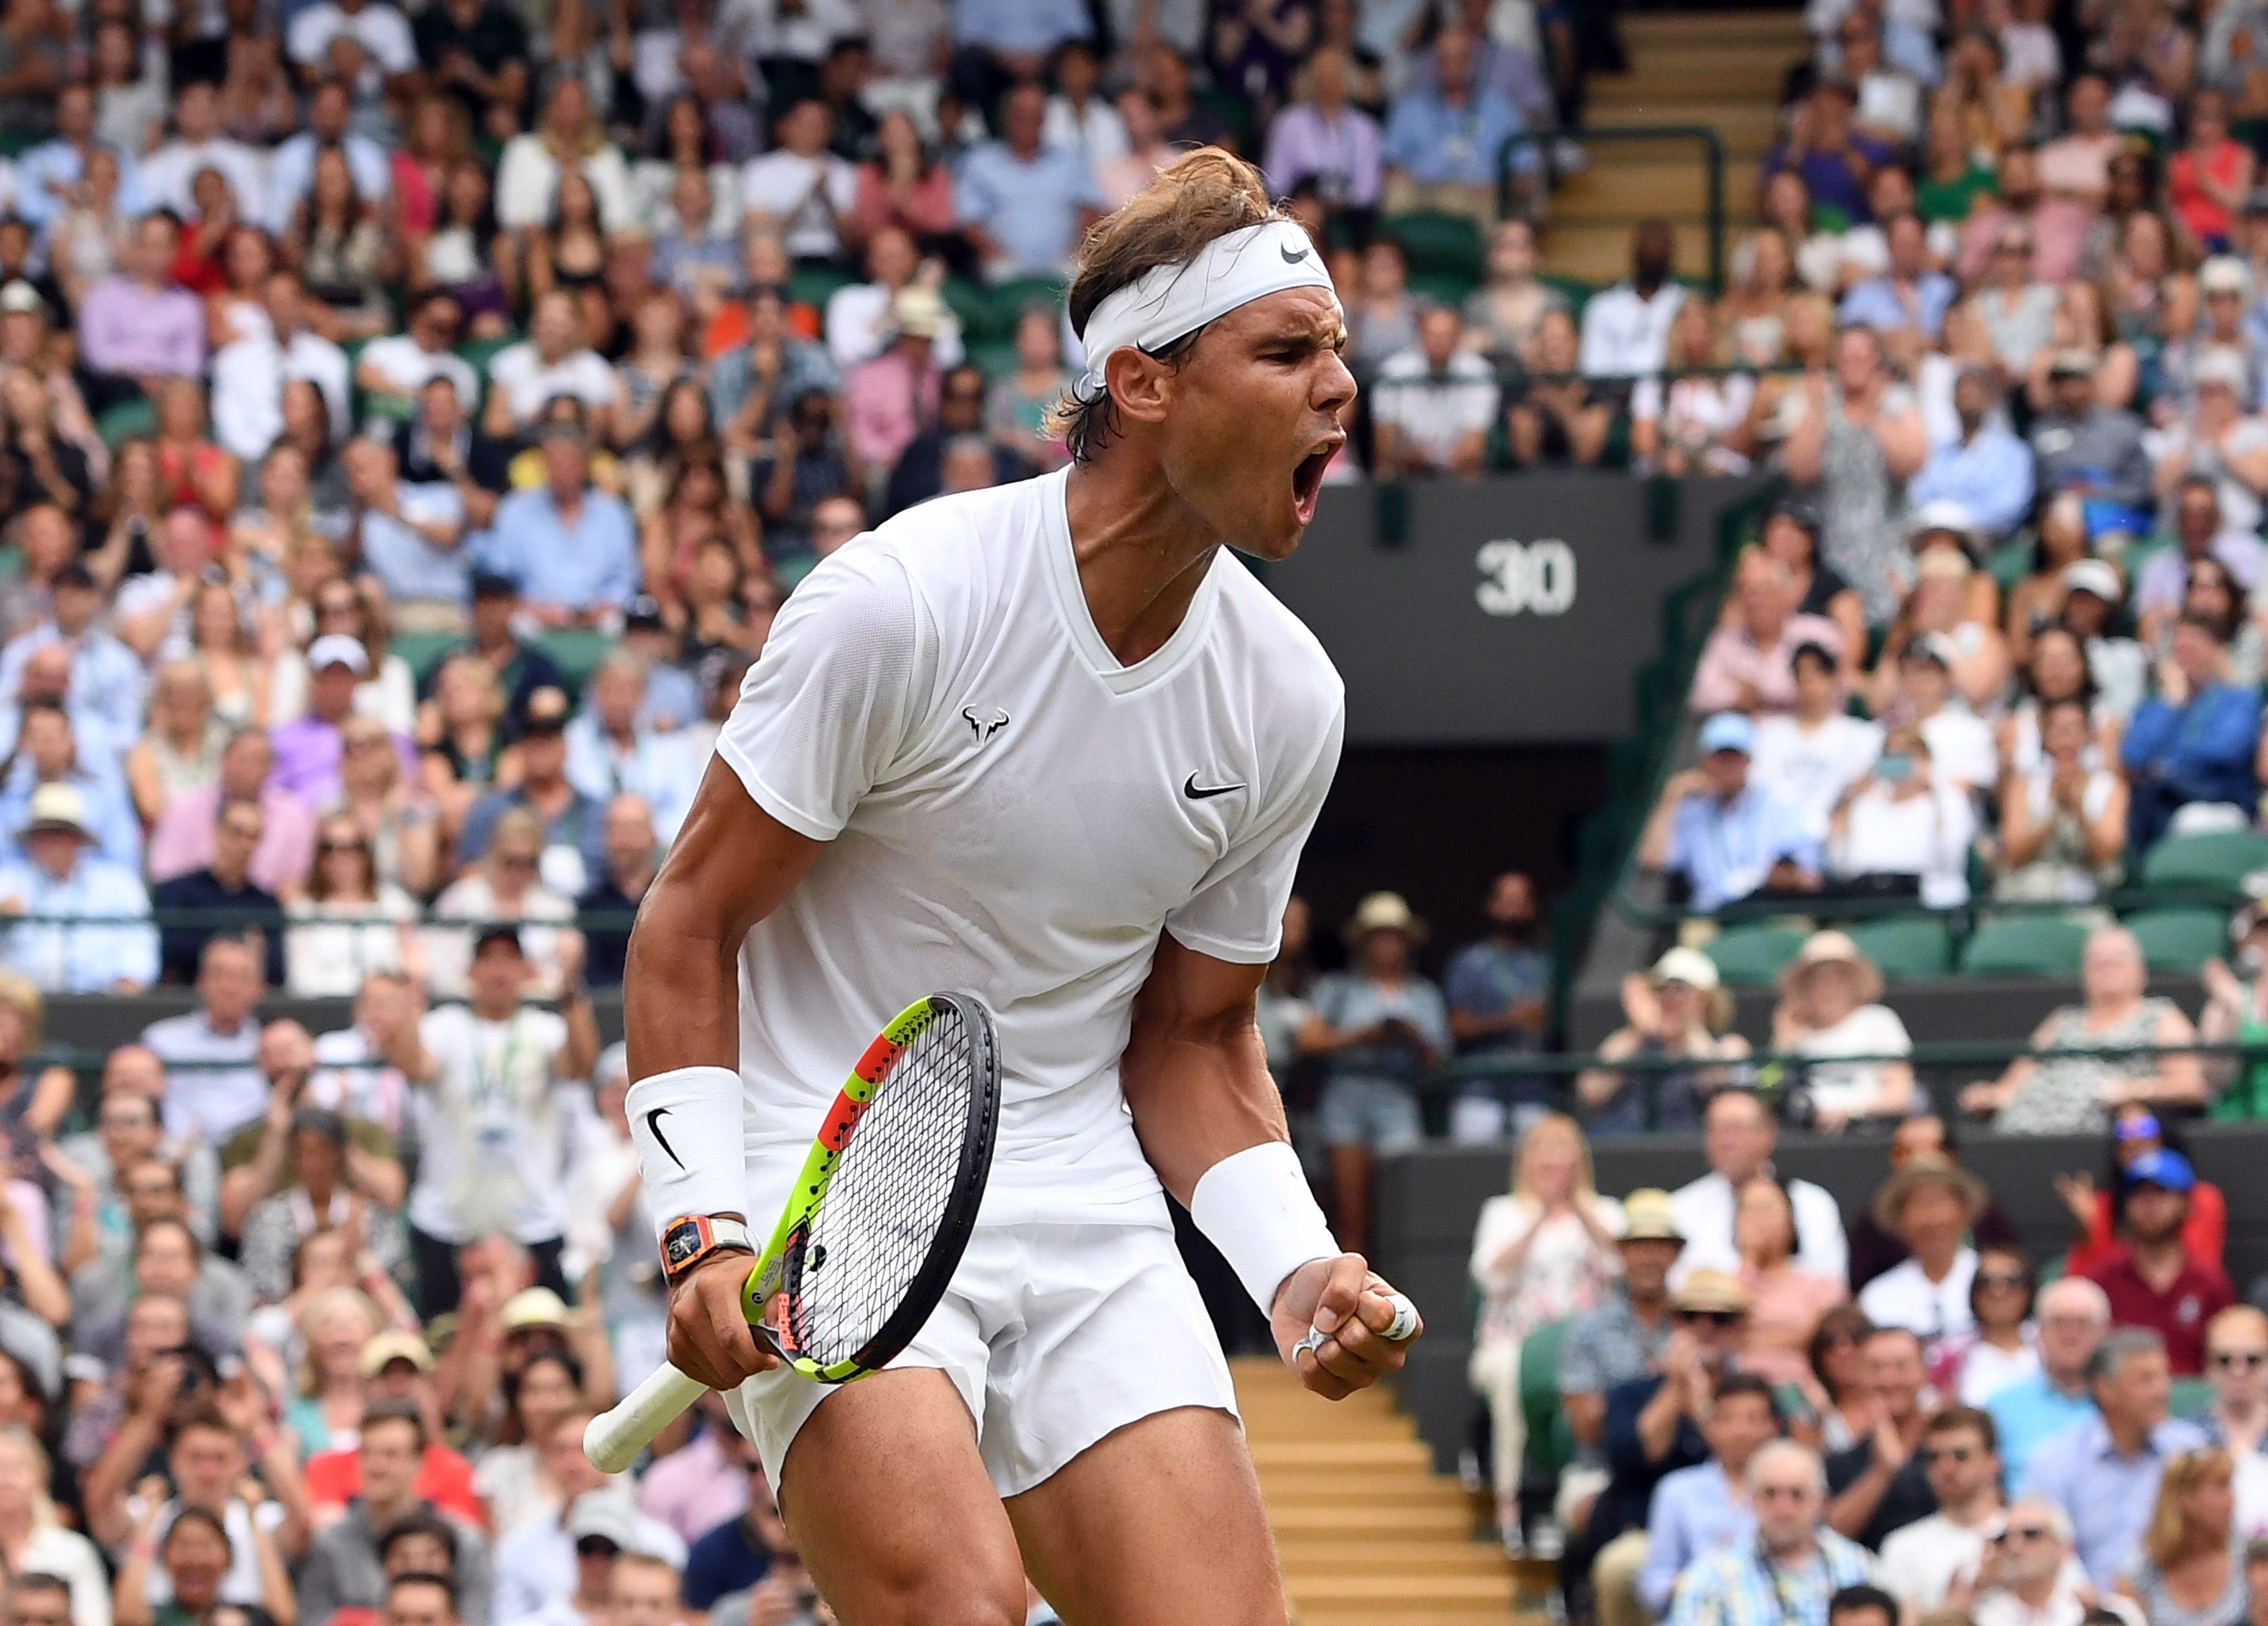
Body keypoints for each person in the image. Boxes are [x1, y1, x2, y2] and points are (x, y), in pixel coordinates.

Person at [623, 149, 1418, 1625]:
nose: (1338, 388)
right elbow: (690, 922)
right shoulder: (902, 605)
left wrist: (1292, 1264)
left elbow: (1191, 1039)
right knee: (957, 1608)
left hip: (1084, 1190)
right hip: (827, 1168)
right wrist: (704, 1223)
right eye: (1289, 350)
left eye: (1340, 354)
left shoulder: (1286, 696)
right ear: (1145, 382)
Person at [380, 926, 596, 1319]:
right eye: (489, 959)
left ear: (526, 971)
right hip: (450, 1219)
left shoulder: (543, 1028)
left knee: (545, 1341)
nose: (499, 972)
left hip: (532, 1218)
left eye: (509, 960)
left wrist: (570, 987)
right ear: (471, 971)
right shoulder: (444, 1026)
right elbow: (412, 1065)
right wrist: (412, 989)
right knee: (444, 1339)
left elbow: (581, 1066)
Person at [1466, 1116, 1625, 1546]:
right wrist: (1540, 1215)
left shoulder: (1605, 1211)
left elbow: (1622, 1271)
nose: (1554, 1159)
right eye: (1543, 1148)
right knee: (1508, 1378)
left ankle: (1589, 1500)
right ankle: (1510, 1498)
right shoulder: (1503, 1211)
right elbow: (1491, 1279)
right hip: (1513, 1343)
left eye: (1564, 1148)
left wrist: (1578, 1209)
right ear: (1526, 1159)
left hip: (1588, 1347)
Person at [1297, 891, 1450, 1255]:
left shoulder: (1424, 995)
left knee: (1406, 1209)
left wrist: (1412, 1038)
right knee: (1351, 1216)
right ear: (1364, 943)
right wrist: (1364, 1036)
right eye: (1378, 936)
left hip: (1398, 1098)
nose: (1387, 945)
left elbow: (1440, 1060)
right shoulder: (1339, 990)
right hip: (1346, 1097)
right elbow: (1308, 1040)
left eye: (1395, 936)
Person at [1961, 928, 2209, 1134]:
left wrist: (2133, 1090)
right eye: (2098, 961)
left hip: (2091, 1135)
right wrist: (1992, 1095)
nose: (2107, 967)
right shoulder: (2062, 1019)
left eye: (2117, 960)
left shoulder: (2160, 1015)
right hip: (2019, 1131)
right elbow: (2015, 1081)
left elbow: (2191, 1086)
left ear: (2141, 971)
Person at [2025, 1328, 2208, 1586]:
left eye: (2164, 1377)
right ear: (2105, 1390)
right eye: (2146, 1380)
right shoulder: (2056, 1460)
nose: (2162, 1391)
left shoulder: (2191, 1449)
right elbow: (2045, 1549)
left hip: (2177, 1605)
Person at [1557, 1190, 1685, 1537]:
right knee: (1591, 1510)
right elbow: (1587, 1428)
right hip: (1601, 1471)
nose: (1649, 1257)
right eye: (1638, 1246)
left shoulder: (1697, 1321)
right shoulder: (1589, 1329)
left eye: (1660, 1247)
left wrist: (1620, 1401)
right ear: (1622, 1253)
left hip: (1683, 1464)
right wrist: (1665, 1383)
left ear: (1676, 1254)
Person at [294, 1403, 491, 1626]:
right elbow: (312, 1620)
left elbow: (477, 1619)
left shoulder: (463, 1542)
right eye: (366, 1453)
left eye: (391, 1455)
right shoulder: (331, 1544)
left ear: (419, 1463)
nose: (376, 1466)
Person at [1665, 1440, 1877, 1626]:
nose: (1783, 1509)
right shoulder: (1710, 1576)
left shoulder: (1859, 1567)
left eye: (1797, 1494)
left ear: (1821, 1501)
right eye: (1770, 1494)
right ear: (1751, 1501)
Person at [1638, 712, 1822, 913]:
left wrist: (1782, 878)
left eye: (1734, 758)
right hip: (1710, 919)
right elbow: (1652, 860)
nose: (1727, 766)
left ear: (1749, 760)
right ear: (1705, 761)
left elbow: (1810, 876)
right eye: (1719, 758)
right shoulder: (1691, 812)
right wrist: (1671, 797)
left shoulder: (1778, 806)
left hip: (1768, 911)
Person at [1635, 1373, 1786, 1617]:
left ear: (1774, 1427)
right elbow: (1653, 1584)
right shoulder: (1677, 1490)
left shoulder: (1789, 1489)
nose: (1741, 1431)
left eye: (1754, 1419)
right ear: (1709, 1426)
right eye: (1728, 1419)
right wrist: (1701, 1585)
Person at [2083, 1151, 2237, 1376]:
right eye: (2139, 1194)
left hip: (2194, 1401)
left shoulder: (2210, 1282)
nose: (2149, 1204)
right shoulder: (2102, 1280)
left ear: (2187, 1204)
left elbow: (2229, 1356)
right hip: (2123, 1403)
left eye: (2161, 1192)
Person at [1672, 1091, 1849, 1285]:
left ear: (1769, 1132)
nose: (1726, 1142)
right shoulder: (1679, 1207)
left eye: (1736, 1129)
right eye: (1716, 1130)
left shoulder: (1812, 1203)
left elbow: (1830, 1283)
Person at [1575, 947, 1752, 1136]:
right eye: (1661, 990)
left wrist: (1689, 1026)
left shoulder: (1728, 1044)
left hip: (1688, 1147)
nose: (1670, 999)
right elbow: (1591, 1092)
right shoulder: (1631, 1041)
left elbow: (1716, 1084)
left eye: (1680, 990)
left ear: (1705, 999)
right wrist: (1641, 1030)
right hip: (1624, 1143)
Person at [0, 784, 155, 994]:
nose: (51, 843)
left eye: (60, 833)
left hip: (101, 1004)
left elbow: (139, 950)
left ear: (77, 839)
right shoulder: (7, 881)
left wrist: (126, 991)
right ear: (32, 839)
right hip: (19, 1005)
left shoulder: (119, 885)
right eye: (44, 834)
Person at [1441, 871, 1551, 1143]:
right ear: (1492, 905)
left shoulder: (1545, 963)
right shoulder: (1470, 962)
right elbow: (1455, 1027)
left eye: (1523, 900)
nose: (1516, 908)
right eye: (1508, 899)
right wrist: (1508, 1019)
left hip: (1533, 1094)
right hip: (1480, 1095)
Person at [1771, 932, 1914, 1130]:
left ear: (1853, 983)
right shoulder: (1796, 1032)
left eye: (1838, 979)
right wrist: (1783, 1044)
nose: (1828, 989)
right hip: (1805, 1134)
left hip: (1871, 1131)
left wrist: (1852, 1111)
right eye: (1818, 980)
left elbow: (1900, 1094)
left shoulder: (1877, 1020)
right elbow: (1769, 1092)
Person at [1877, 1406, 2006, 1614]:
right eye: (1935, 1457)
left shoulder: (2029, 1533)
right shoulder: (1902, 1547)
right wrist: (1952, 1610)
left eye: (1961, 1455)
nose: (1947, 1468)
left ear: (1993, 1462)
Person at [1991, 1277, 2116, 1491]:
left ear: (2105, 1333)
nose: (2070, 1335)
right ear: (2039, 1334)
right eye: (2058, 1323)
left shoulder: (2123, 1404)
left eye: (2083, 1324)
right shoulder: (2000, 1407)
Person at [1825, 1326, 1939, 1549]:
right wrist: (1882, 1471)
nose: (1889, 1380)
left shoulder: (1951, 1448)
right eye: (1876, 1368)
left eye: (1901, 1366)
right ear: (1859, 1376)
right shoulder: (1840, 1460)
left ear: (1925, 1373)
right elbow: (1832, 1537)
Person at [1858, 1156, 1987, 1346]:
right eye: (1920, 1205)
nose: (1933, 1219)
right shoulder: (1878, 1297)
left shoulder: (1995, 1282)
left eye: (1940, 1202)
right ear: (1900, 1220)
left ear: (1963, 1212)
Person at [2118, 1448, 2247, 1626]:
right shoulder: (2140, 1574)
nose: (2232, 1499)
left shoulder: (2249, 1558)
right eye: (2221, 1487)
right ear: (2186, 1499)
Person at [1971, 1501, 2108, 1626]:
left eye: (2031, 1534)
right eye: (2004, 1537)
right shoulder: (1979, 1615)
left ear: (2064, 1548)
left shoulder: (2100, 1613)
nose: (2014, 1547)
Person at [1938, 1246, 2043, 1408]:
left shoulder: (2050, 1349)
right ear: (1974, 1292)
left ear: (2029, 1290)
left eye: (2012, 1281)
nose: (1998, 1292)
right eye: (1986, 1282)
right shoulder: (1952, 1358)